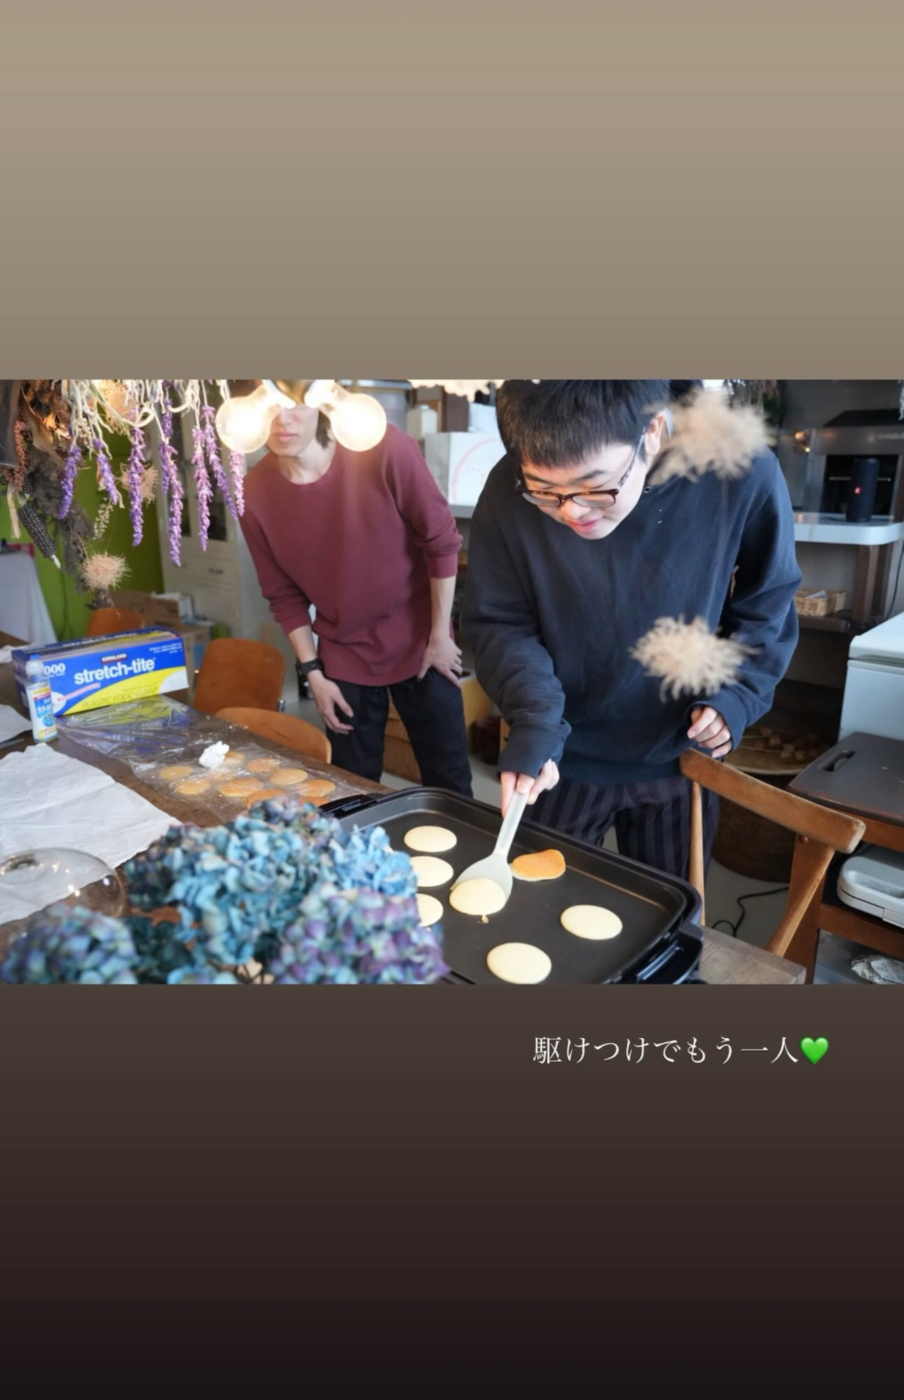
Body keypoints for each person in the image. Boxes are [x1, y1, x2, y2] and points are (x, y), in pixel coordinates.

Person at [461, 380, 801, 878]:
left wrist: (739, 692)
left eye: (596, 486)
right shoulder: (507, 487)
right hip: (560, 751)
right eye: (545, 492)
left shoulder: (738, 469)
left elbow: (767, 600)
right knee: (537, 906)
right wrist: (535, 718)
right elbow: (500, 621)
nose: (572, 511)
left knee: (669, 916)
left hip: (681, 749)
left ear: (653, 430)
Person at [239, 388, 473, 795]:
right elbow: (283, 596)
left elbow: (441, 542)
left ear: (321, 398)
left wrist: (440, 637)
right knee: (352, 790)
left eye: (293, 402)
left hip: (422, 642)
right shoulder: (253, 493)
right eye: (266, 406)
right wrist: (313, 673)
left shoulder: (385, 448)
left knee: (449, 784)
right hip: (343, 655)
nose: (282, 420)